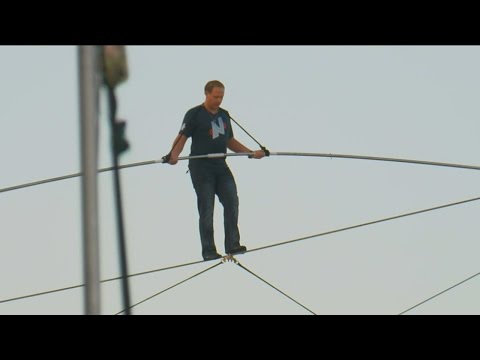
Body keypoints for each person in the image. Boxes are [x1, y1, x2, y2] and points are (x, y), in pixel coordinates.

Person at [167, 80, 265, 261]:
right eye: (215, 96)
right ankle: (209, 250)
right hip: (201, 167)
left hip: (221, 165)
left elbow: (230, 141)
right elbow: (182, 138)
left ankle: (233, 245)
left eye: (221, 97)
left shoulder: (224, 116)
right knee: (207, 207)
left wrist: (251, 153)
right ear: (206, 93)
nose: (219, 100)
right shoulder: (195, 114)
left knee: (232, 202)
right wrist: (173, 155)